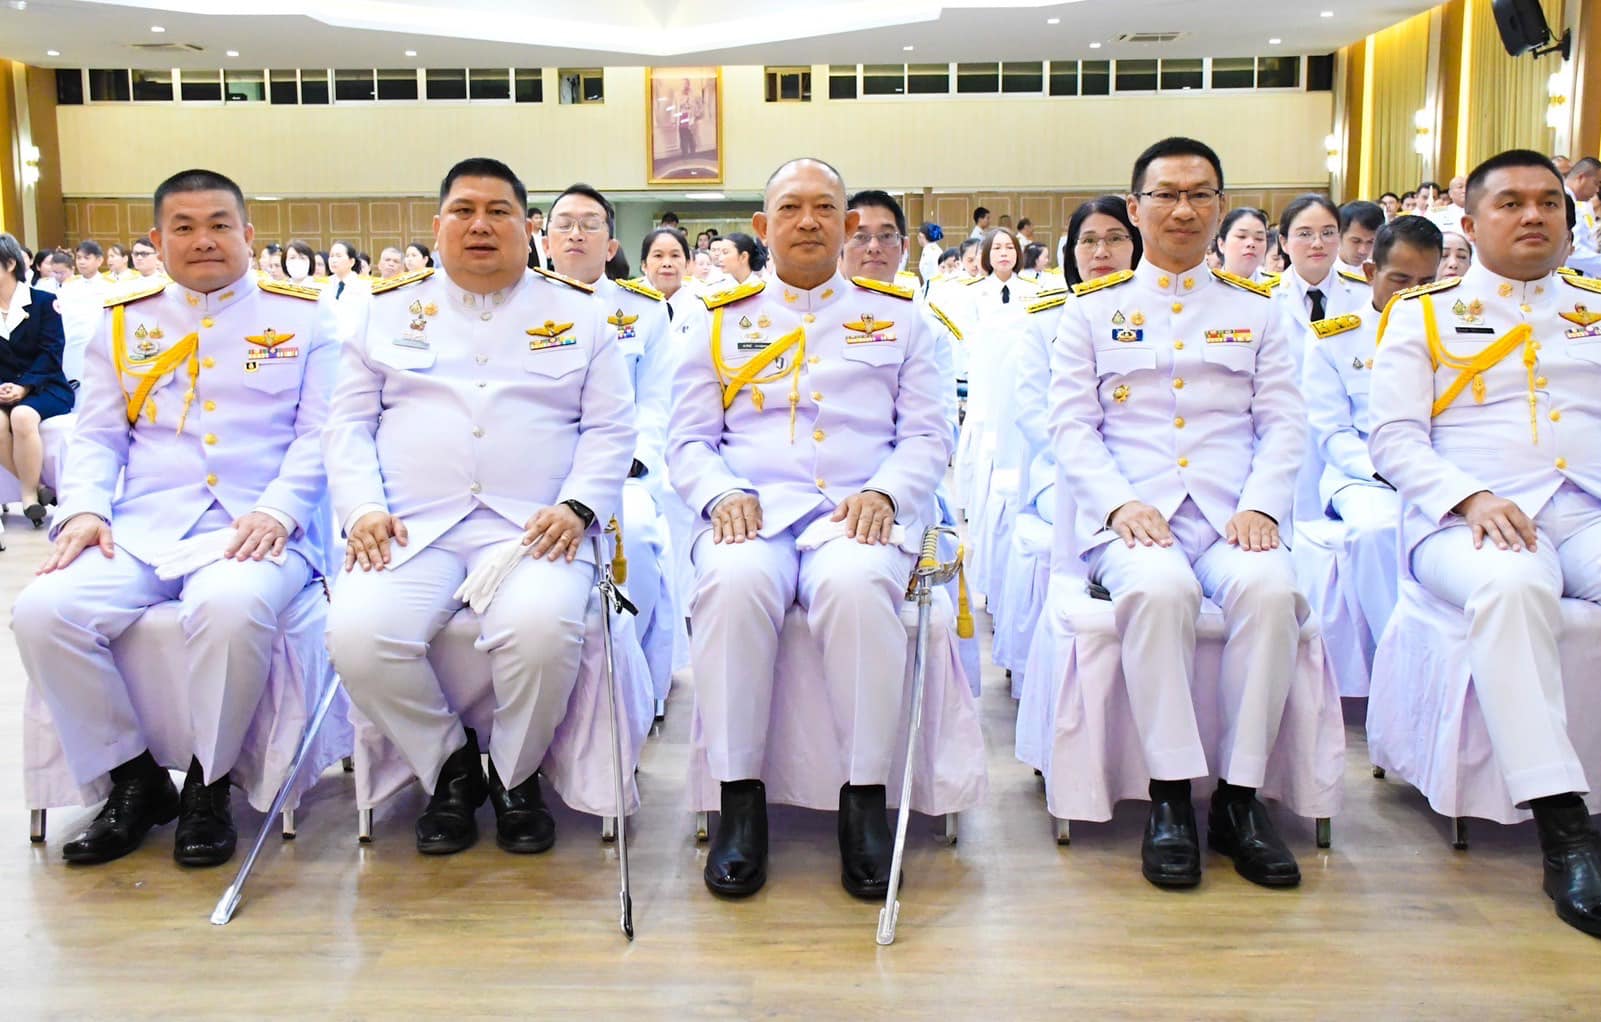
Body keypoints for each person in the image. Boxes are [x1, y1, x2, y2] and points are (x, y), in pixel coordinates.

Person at [10, 169, 334, 868]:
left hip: (259, 525)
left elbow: (322, 435)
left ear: (248, 235)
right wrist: (86, 509)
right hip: (147, 524)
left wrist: (278, 509)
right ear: (158, 242)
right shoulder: (125, 319)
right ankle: (135, 780)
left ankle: (209, 786)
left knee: (229, 609)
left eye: (219, 224)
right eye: (183, 227)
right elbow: (98, 434)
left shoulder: (307, 317)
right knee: (42, 612)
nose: (203, 240)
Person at [323, 157, 635, 857]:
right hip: (411, 526)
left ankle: (516, 777)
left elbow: (612, 428)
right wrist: (362, 508)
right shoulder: (382, 311)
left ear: (529, 228)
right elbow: (346, 425)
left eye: (499, 212)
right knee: (358, 635)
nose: (480, 225)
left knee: (543, 631)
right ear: (438, 226)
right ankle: (449, 768)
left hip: (534, 529)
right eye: (464, 211)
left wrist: (578, 506)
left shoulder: (581, 314)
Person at [667, 157, 949, 900]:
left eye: (825, 208)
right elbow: (687, 441)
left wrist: (887, 492)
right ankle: (738, 801)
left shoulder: (900, 318)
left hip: (857, 512)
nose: (808, 221)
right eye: (790, 208)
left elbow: (928, 435)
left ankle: (864, 802)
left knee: (857, 589)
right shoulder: (716, 321)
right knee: (731, 586)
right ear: (763, 226)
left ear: (849, 223)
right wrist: (720, 492)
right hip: (753, 512)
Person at [1050, 136, 1308, 891]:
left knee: (1271, 592)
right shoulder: (1090, 311)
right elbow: (1070, 427)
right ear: (1135, 209)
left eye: (1200, 195)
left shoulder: (1257, 311)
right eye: (1166, 194)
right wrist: (1119, 503)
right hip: (1133, 515)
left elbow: (1284, 422)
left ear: (1220, 208)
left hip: (1232, 514)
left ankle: (1238, 799)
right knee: (1160, 590)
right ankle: (1168, 796)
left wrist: (1261, 506)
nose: (1183, 209)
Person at [1368, 149, 1601, 939]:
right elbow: (1392, 439)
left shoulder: (1594, 304)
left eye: (1547, 202)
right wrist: (1468, 496)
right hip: (1466, 519)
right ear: (1468, 224)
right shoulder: (1422, 313)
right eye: (1510, 203)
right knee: (1512, 587)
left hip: (1586, 511)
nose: (1532, 215)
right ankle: (1564, 828)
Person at [546, 183, 679, 703]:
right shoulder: (520, 307)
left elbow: (657, 401)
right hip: (543, 474)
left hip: (621, 473)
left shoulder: (643, 311)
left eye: (589, 225)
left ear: (611, 246)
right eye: (564, 225)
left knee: (637, 537)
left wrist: (630, 463)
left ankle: (634, 686)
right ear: (546, 241)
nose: (575, 234)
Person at [1302, 215, 1441, 650]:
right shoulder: (1334, 339)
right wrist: (1391, 471)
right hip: (1364, 476)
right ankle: (1397, 654)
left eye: (1427, 282)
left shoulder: (1453, 336)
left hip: (1440, 470)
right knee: (1377, 530)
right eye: (1400, 280)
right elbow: (1333, 433)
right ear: (1369, 272)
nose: (1413, 293)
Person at [1015, 197, 1141, 524]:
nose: (1101, 252)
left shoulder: (1160, 315)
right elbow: (1032, 412)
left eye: (1115, 238)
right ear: (1071, 251)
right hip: (1064, 472)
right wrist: (1094, 467)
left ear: (1137, 245)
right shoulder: (1046, 321)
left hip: (1146, 468)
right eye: (1088, 241)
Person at [0, 233, 74, 526]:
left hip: (45, 385)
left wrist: (25, 386)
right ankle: (39, 486)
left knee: (22, 416)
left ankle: (29, 495)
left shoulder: (43, 302)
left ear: (9, 264)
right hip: (4, 388)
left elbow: (51, 351)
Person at [1277, 195, 1367, 346]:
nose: (1318, 243)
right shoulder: (1266, 299)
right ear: (1284, 243)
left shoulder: (1364, 296)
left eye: (1328, 233)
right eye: (1305, 234)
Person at [640, 226, 693, 319]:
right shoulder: (629, 304)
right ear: (644, 264)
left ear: (687, 263)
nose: (667, 264)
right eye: (658, 255)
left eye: (675, 255)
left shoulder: (702, 306)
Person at [1215, 207, 1274, 284]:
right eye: (1241, 236)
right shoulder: (1205, 286)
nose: (1251, 243)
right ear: (1221, 244)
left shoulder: (1278, 288)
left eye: (1259, 238)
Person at [1336, 200, 1384, 280]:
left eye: (1370, 242)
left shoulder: (1378, 274)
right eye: (1356, 241)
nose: (1363, 251)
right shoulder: (1323, 272)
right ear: (1338, 234)